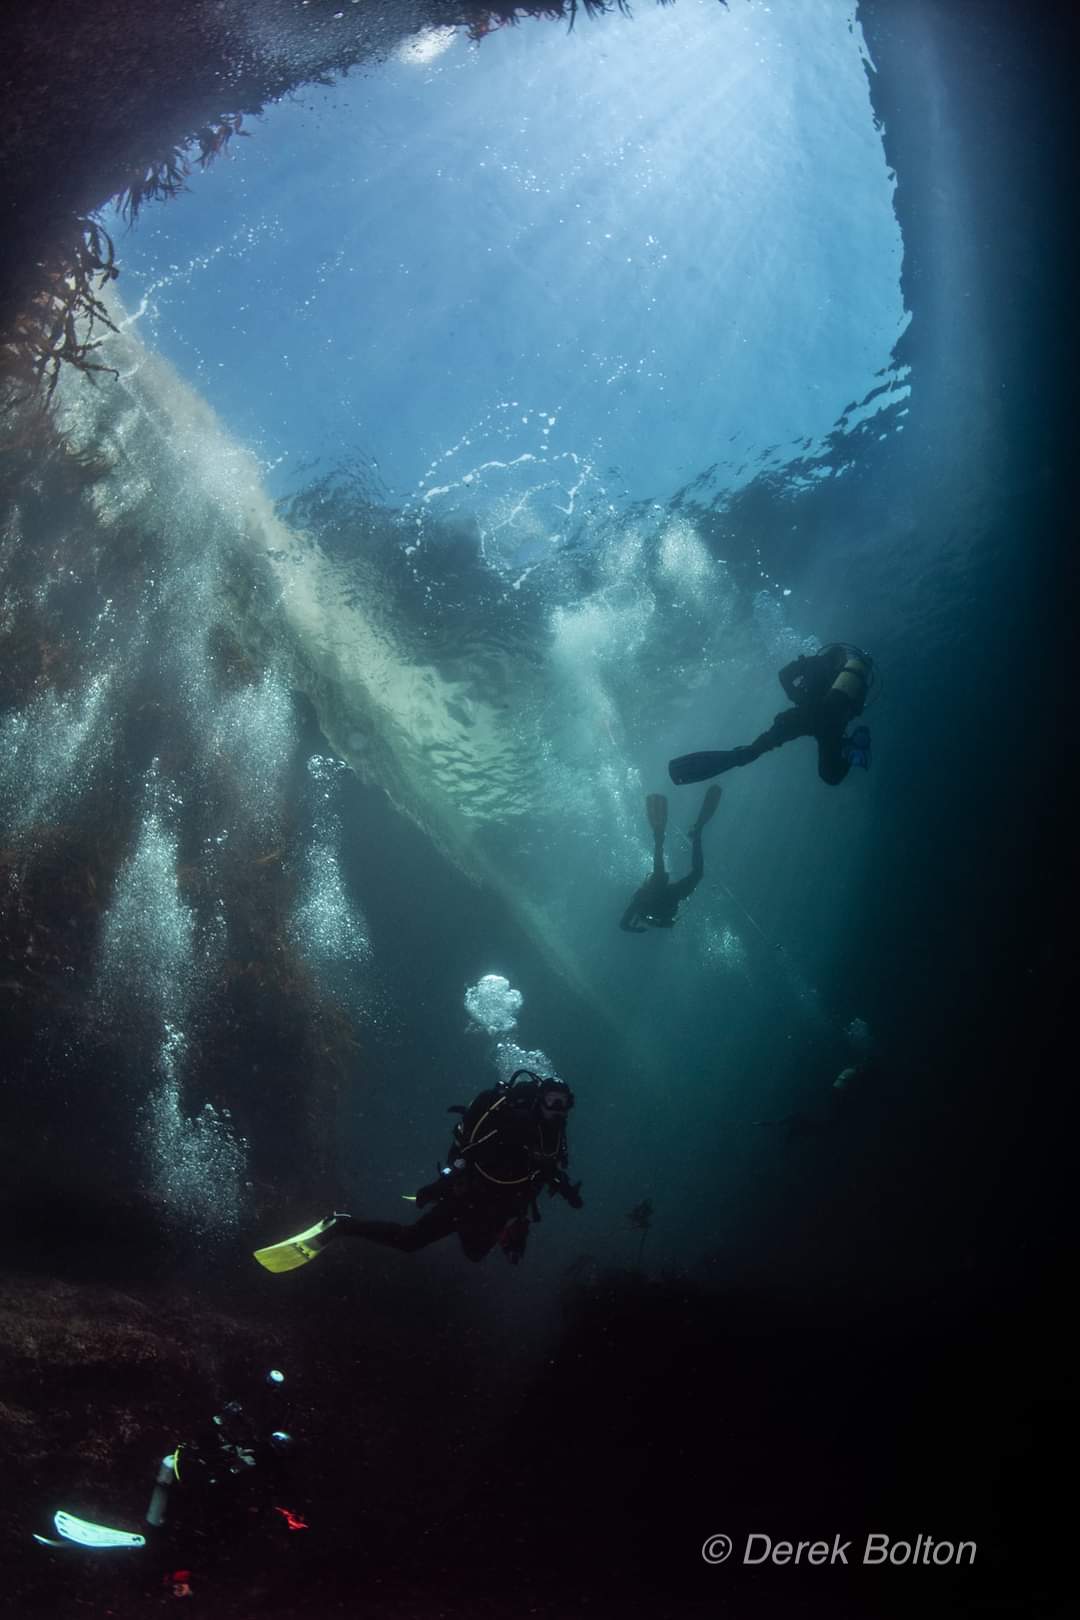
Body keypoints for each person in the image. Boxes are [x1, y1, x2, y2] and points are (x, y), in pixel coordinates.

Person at [253, 1071, 582, 1271]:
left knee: (475, 1254)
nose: (558, 1109)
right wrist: (438, 1187)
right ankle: (341, 1225)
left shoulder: (555, 1137)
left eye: (564, 1103)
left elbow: (544, 1170)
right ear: (539, 1100)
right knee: (410, 1241)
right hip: (469, 1195)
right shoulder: (515, 1124)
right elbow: (470, 1156)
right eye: (552, 1101)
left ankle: (492, 1231)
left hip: (499, 1208)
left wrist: (564, 1188)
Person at [668, 643, 874, 788]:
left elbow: (783, 675)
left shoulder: (814, 662)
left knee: (752, 752)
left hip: (803, 715)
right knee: (830, 776)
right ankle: (850, 751)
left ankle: (737, 756)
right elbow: (855, 709)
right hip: (831, 723)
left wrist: (799, 697)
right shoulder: (853, 678)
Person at [619, 785, 722, 932]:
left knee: (664, 875)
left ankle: (661, 836)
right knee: (695, 873)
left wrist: (638, 928)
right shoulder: (643, 908)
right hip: (667, 898)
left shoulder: (640, 904)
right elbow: (625, 924)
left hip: (660, 895)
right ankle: (694, 834)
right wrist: (658, 924)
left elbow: (624, 924)